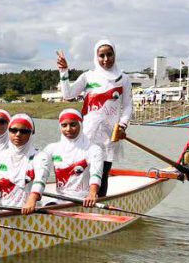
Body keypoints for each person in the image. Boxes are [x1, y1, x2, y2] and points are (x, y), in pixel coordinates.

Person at [56, 39, 133, 196]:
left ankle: (98, 205)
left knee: (102, 174)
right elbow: (68, 95)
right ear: (96, 57)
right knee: (82, 170)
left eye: (109, 55)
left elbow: (128, 106)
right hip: (87, 134)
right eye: (101, 55)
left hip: (110, 135)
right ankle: (77, 200)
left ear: (115, 55)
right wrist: (64, 72)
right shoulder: (88, 77)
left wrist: (123, 126)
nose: (106, 59)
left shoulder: (123, 79)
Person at [34, 109, 104, 207]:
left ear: (80, 124)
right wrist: (34, 195)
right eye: (64, 125)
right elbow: (42, 172)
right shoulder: (51, 148)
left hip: (83, 199)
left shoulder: (94, 149)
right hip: (59, 198)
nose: (68, 129)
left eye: (73, 125)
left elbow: (96, 173)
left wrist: (92, 193)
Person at [0, 113, 42, 214]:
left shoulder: (40, 156)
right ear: (9, 131)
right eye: (14, 130)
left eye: (24, 131)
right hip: (3, 208)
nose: (18, 134)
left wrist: (32, 199)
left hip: (29, 210)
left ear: (31, 133)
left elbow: (40, 180)